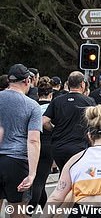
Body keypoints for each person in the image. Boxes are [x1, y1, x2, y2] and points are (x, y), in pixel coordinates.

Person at [0, 64, 41, 218]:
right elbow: (33, 141)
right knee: (17, 212)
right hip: (17, 161)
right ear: (27, 81)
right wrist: (32, 174)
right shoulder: (32, 106)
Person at [43, 71, 96, 171]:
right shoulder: (89, 101)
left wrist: (53, 129)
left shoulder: (57, 100)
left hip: (58, 147)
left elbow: (44, 121)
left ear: (68, 84)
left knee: (63, 173)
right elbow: (94, 123)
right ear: (82, 84)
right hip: (79, 146)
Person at [29, 77, 55, 209]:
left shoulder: (32, 106)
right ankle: (30, 208)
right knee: (40, 180)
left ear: (38, 94)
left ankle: (45, 208)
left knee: (39, 179)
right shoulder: (53, 108)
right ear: (51, 94)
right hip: (48, 145)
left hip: (33, 143)